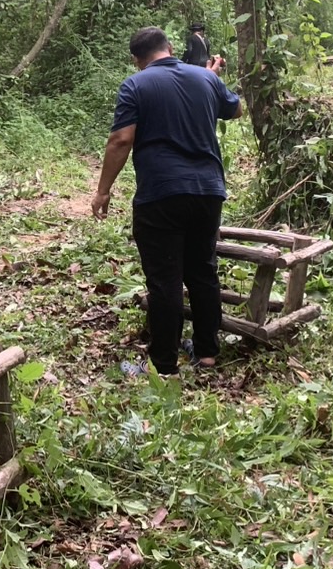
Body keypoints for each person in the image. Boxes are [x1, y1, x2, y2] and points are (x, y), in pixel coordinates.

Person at [91, 27, 242, 376]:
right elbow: (236, 110)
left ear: (136, 59)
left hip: (161, 194)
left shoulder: (135, 85)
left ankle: (164, 366)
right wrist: (211, 80)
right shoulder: (206, 79)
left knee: (165, 280)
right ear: (170, 48)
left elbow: (121, 139)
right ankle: (206, 354)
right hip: (208, 191)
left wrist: (103, 190)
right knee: (203, 272)